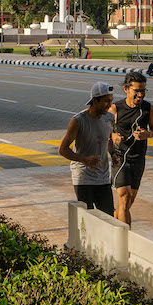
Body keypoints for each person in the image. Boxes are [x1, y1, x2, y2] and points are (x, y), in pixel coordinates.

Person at [58, 81, 117, 215]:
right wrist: (84, 159)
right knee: (88, 218)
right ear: (95, 100)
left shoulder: (110, 118)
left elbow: (107, 140)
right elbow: (63, 149)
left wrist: (113, 154)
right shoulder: (79, 120)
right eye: (106, 101)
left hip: (103, 177)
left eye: (111, 101)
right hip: (83, 177)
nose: (110, 105)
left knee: (109, 217)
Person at [109, 72, 153, 226]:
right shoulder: (115, 108)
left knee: (127, 203)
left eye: (143, 90)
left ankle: (112, 225)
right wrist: (113, 136)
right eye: (136, 90)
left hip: (138, 160)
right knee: (124, 197)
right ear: (126, 89)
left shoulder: (148, 108)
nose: (140, 94)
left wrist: (147, 134)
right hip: (119, 158)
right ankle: (126, 241)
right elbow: (103, 129)